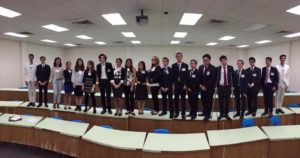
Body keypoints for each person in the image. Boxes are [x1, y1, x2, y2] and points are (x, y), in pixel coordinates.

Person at [198, 54, 217, 121]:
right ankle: (204, 112)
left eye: (206, 60)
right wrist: (200, 85)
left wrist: (205, 86)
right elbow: (199, 77)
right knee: (203, 101)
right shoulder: (200, 67)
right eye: (204, 60)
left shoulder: (213, 68)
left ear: (209, 60)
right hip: (202, 88)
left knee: (208, 101)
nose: (205, 61)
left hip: (209, 89)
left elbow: (212, 79)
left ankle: (208, 115)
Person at [216, 55, 234, 120]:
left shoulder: (230, 67)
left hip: (228, 87)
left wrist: (232, 86)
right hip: (221, 87)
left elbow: (233, 77)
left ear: (226, 60)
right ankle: (221, 114)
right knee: (221, 101)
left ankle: (226, 114)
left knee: (227, 101)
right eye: (222, 60)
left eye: (224, 60)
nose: (223, 61)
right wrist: (216, 86)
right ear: (220, 61)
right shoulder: (218, 68)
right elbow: (216, 78)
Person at [172, 52, 188, 120]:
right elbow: (172, 76)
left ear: (182, 57)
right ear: (176, 57)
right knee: (176, 99)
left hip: (183, 86)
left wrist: (185, 84)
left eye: (180, 56)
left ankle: (183, 113)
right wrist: (173, 85)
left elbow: (186, 76)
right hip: (176, 85)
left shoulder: (185, 65)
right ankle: (177, 112)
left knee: (183, 100)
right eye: (177, 56)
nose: (179, 57)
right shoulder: (173, 65)